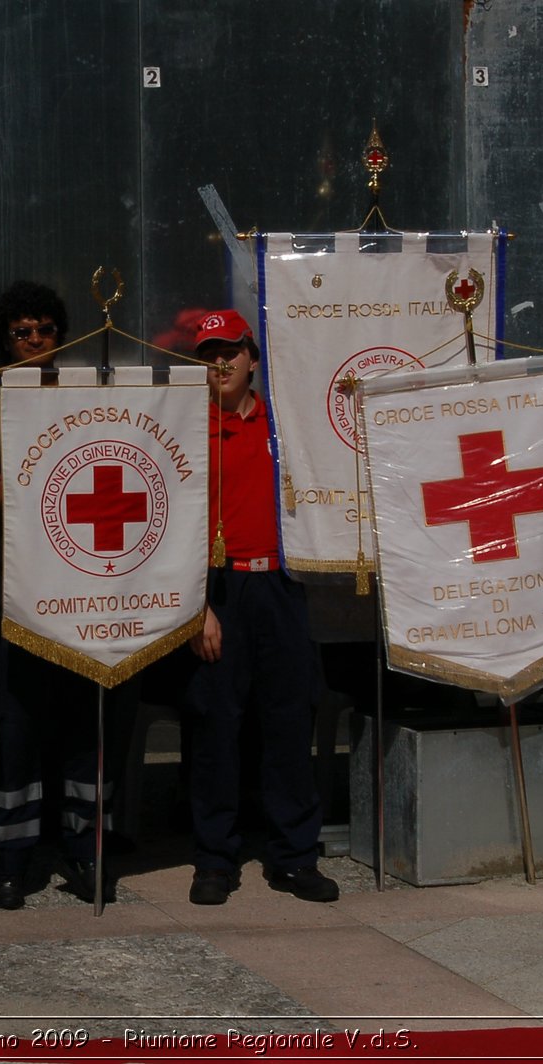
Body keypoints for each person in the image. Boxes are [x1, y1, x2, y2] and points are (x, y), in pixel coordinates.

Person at [0, 281, 109, 910]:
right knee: (12, 738)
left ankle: (83, 853)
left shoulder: (85, 398)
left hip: (79, 593)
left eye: (46, 329)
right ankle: (11, 863)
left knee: (79, 734)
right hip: (9, 595)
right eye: (23, 331)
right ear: (3, 337)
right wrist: (50, 462)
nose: (36, 341)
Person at [182, 310, 338, 907]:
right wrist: (197, 607)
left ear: (252, 357)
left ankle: (294, 857)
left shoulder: (287, 423)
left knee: (288, 722)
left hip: (280, 586)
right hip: (219, 591)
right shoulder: (186, 430)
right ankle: (215, 858)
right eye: (207, 355)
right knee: (216, 729)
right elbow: (173, 528)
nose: (219, 364)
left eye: (229, 352)